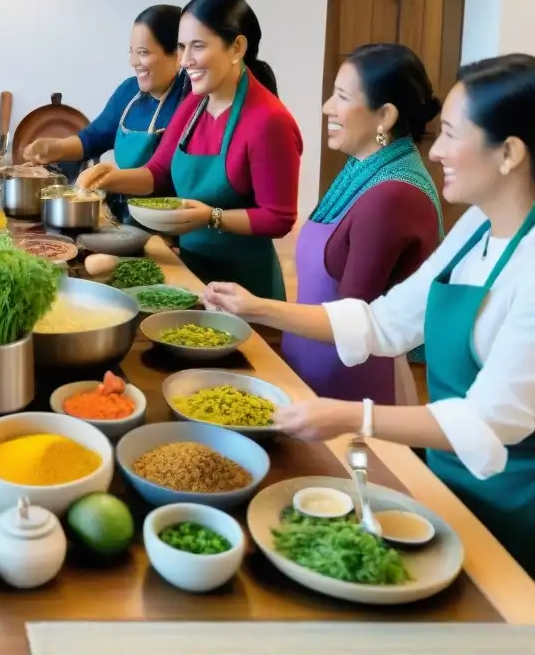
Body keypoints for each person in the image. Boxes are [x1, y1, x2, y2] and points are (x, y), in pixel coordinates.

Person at [205, 54, 535, 576]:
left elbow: (489, 419)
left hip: (515, 511)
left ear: (510, 152)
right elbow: (382, 323)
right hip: (446, 482)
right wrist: (257, 307)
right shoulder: (476, 226)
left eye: (451, 134)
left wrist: (350, 416)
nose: (438, 150)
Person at [77, 0, 302, 300]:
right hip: (192, 272)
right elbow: (158, 172)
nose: (184, 61)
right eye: (181, 47)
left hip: (245, 290)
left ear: (237, 46)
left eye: (198, 46)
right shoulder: (195, 103)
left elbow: (279, 217)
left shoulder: (268, 121)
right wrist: (109, 178)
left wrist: (212, 217)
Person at [282, 43, 444, 403]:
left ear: (384, 116)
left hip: (355, 391)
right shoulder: (363, 168)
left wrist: (254, 308)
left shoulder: (392, 195)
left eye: (341, 96)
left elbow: (350, 320)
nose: (327, 107)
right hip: (315, 374)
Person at [21, 5, 189, 222]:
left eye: (143, 53)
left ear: (177, 55)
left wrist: (108, 178)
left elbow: (161, 175)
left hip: (168, 223)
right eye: (132, 52)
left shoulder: (190, 101)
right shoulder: (129, 92)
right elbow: (94, 138)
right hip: (123, 218)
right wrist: (55, 148)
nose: (133, 62)